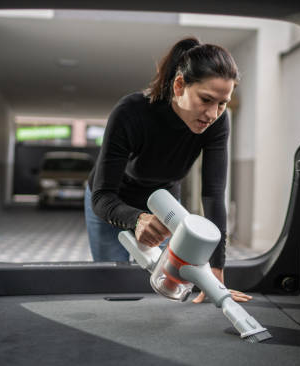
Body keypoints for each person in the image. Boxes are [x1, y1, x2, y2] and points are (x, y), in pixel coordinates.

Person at [84, 37, 251, 303]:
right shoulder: (131, 112)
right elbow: (102, 197)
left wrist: (216, 273)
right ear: (179, 85)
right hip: (111, 199)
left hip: (163, 203)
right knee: (113, 285)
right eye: (206, 99)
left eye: (222, 103)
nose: (212, 113)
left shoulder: (218, 123)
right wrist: (138, 219)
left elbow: (213, 194)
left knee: (166, 286)